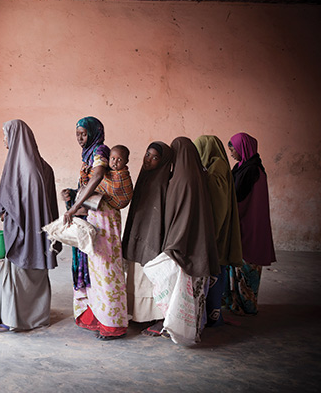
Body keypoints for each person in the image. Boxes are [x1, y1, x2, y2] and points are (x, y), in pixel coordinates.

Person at [142, 137, 219, 344]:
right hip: (198, 242)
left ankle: (178, 328)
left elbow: (181, 216)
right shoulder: (198, 176)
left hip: (183, 243)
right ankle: (194, 328)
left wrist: (174, 244)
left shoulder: (181, 180)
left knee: (181, 290)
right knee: (195, 292)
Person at [62, 116, 130, 341]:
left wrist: (76, 207)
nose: (80, 138)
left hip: (104, 218)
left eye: (83, 134)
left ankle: (113, 324)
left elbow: (99, 174)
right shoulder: (88, 153)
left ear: (93, 133)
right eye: (77, 134)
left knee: (106, 267)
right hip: (94, 215)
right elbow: (89, 184)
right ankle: (95, 315)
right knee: (94, 268)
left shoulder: (100, 150)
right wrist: (73, 195)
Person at [0, 119, 60, 332]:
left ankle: (13, 321)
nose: (4, 140)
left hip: (22, 232)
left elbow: (7, 202)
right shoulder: (44, 166)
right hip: (39, 234)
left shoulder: (16, 167)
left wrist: (1, 212)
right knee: (35, 272)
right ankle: (37, 317)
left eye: (5, 135)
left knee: (16, 273)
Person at [122, 142, 173, 336]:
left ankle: (155, 316)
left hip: (152, 237)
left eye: (154, 157)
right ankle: (139, 315)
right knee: (136, 274)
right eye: (147, 154)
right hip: (139, 233)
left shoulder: (163, 182)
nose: (148, 160)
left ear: (164, 161)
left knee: (150, 275)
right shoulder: (144, 177)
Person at [224, 132, 276, 315]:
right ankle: (237, 303)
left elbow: (241, 199)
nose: (231, 153)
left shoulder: (252, 171)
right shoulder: (241, 167)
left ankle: (248, 305)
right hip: (242, 224)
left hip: (249, 226)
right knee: (238, 266)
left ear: (242, 148)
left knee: (248, 266)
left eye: (233, 149)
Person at [193, 135, 243, 327]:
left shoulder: (215, 172)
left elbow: (217, 208)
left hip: (216, 234)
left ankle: (212, 318)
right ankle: (213, 316)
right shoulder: (217, 167)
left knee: (215, 273)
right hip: (219, 233)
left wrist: (210, 236)